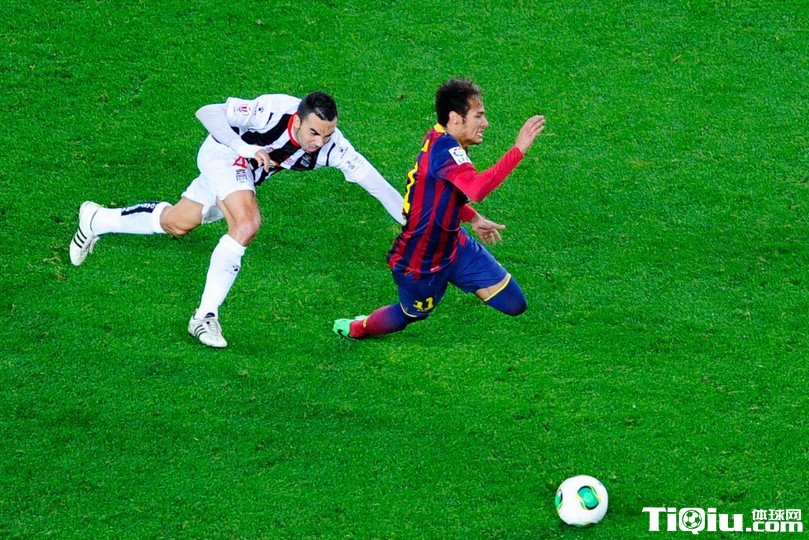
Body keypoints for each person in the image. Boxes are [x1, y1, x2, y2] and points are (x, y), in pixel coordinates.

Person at [70, 91, 405, 348]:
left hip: (246, 175)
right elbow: (207, 112)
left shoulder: (335, 148)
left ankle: (96, 219)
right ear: (298, 120)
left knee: (177, 223)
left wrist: (413, 221)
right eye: (314, 133)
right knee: (246, 224)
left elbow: (378, 186)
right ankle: (204, 316)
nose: (319, 143)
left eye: (327, 135)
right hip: (224, 153)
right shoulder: (273, 110)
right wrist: (242, 147)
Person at [333, 78, 545, 339]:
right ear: (455, 118)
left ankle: (460, 274)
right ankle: (357, 328)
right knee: (410, 314)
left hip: (455, 246)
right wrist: (519, 148)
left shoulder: (445, 141)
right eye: (478, 116)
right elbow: (477, 190)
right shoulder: (445, 150)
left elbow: (440, 196)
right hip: (421, 261)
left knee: (514, 304)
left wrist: (473, 218)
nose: (485, 123)